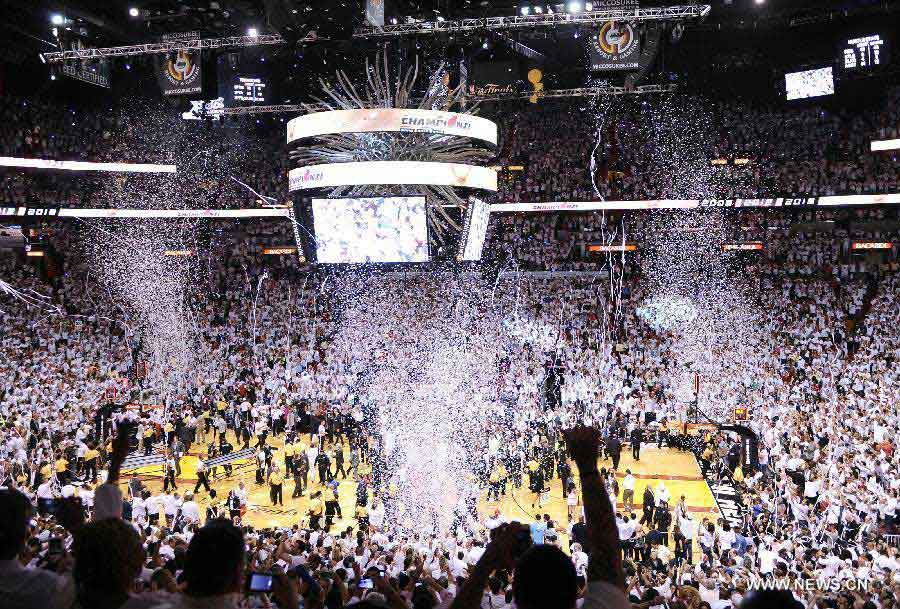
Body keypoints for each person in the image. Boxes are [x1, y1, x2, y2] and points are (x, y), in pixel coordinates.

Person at [0, 488, 75, 609]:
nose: (29, 530)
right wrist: (78, 528)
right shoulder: (42, 585)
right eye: (26, 524)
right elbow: (68, 588)